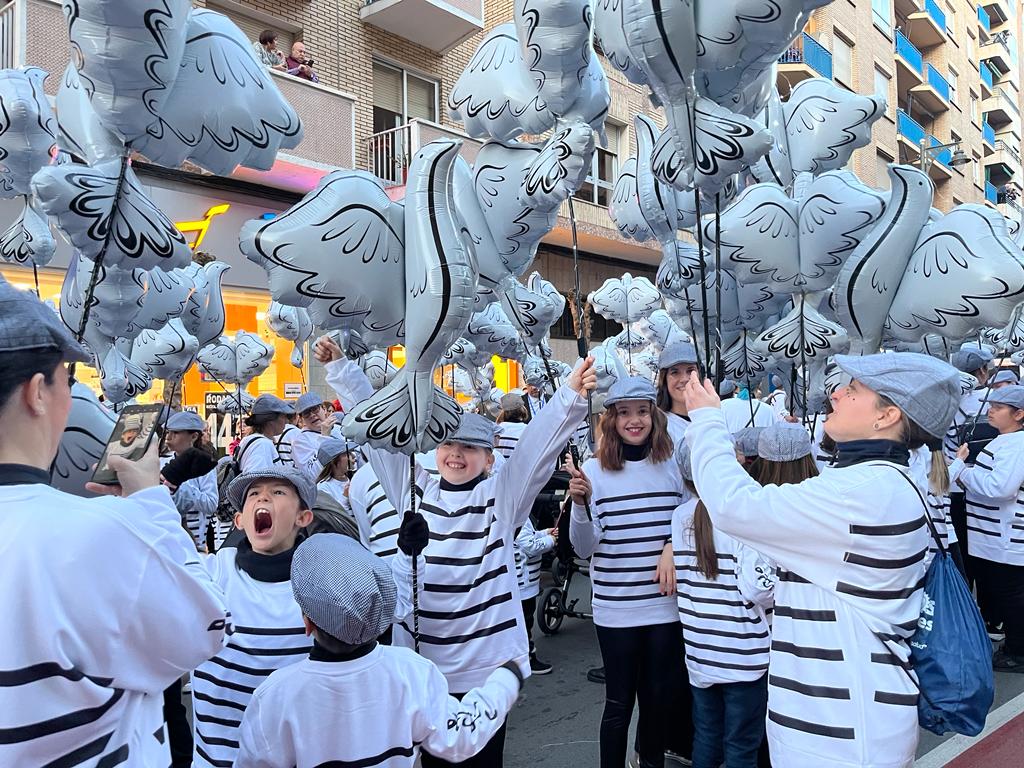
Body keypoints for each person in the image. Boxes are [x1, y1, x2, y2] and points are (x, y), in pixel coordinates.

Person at [318, 335, 594, 768]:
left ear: (488, 458)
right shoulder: (414, 491)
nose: (456, 454)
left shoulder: (501, 501)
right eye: (449, 444)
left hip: (487, 676)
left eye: (469, 447)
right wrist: (341, 372)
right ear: (435, 450)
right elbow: (380, 433)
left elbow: (535, 453)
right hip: (425, 670)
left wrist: (570, 396)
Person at [682, 352, 961, 768]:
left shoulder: (860, 492)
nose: (837, 393)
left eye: (855, 390)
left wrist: (706, 421)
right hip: (846, 721)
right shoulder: (881, 481)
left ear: (887, 417)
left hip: (842, 733)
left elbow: (732, 506)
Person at [0, 279, 229, 766]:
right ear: (38, 392)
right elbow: (205, 627)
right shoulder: (98, 532)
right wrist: (149, 503)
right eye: (68, 376)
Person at [235, 533, 523, 767]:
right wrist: (505, 681)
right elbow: (461, 739)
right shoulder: (411, 671)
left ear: (307, 621)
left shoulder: (275, 697)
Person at [567, 376, 686, 768]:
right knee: (618, 704)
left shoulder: (672, 465)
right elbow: (584, 548)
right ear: (612, 420)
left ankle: (650, 762)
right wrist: (581, 506)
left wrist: (672, 545)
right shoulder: (593, 471)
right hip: (616, 609)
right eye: (624, 413)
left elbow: (691, 518)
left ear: (653, 415)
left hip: (665, 609)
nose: (634, 421)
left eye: (641, 412)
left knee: (657, 701)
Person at [667, 442, 774, 768]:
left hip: (701, 653)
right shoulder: (739, 516)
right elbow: (759, 590)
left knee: (707, 738)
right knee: (741, 746)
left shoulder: (679, 516)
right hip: (745, 656)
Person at [949, 384, 1024, 671]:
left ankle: (1018, 651)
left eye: (999, 407)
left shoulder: (1016, 444)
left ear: (1019, 414)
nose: (991, 410)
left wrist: (961, 471)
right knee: (1005, 591)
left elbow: (1000, 488)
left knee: (1011, 594)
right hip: (995, 535)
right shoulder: (1005, 441)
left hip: (1005, 536)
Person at [162, 410, 218, 549]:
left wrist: (180, 485)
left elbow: (211, 504)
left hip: (194, 544)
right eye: (167, 432)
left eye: (175, 433)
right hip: (166, 538)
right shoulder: (162, 462)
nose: (168, 437)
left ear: (193, 436)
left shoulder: (204, 466)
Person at [514, 517, 557, 675]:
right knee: (525, 622)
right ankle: (527, 658)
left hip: (521, 582)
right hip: (523, 582)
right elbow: (530, 545)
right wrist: (551, 540)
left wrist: (545, 533)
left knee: (523, 622)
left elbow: (529, 536)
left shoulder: (519, 515)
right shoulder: (518, 517)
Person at [656, 341, 702, 445]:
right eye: (675, 372)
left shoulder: (713, 415)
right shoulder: (658, 425)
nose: (684, 379)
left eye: (690, 371)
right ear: (664, 380)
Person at [237, 394, 294, 473]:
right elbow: (255, 478)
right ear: (271, 419)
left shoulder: (250, 440)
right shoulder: (262, 445)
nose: (286, 421)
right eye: (283, 416)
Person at [291, 392, 336, 479]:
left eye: (315, 409)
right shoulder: (300, 442)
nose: (312, 415)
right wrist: (325, 437)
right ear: (301, 419)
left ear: (324, 409)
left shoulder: (338, 429)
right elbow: (311, 474)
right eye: (306, 413)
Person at [316, 436, 356, 507]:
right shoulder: (323, 488)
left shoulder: (356, 478)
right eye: (347, 453)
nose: (353, 455)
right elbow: (332, 514)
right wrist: (345, 497)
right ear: (334, 461)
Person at [496, 392, 529, 458]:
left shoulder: (495, 430)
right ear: (522, 409)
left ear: (503, 411)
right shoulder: (527, 430)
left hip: (499, 468)